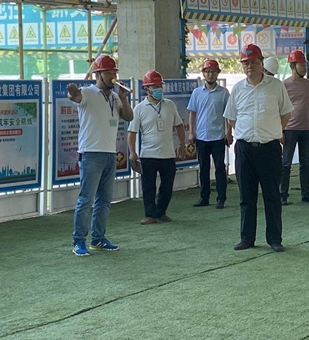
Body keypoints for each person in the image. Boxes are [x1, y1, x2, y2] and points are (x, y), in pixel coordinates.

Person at [223, 44, 293, 252]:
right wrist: (246, 131)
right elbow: (231, 118)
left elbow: (286, 113)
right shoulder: (238, 89)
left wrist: (273, 130)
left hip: (269, 148)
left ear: (262, 63)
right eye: (246, 63)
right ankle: (247, 238)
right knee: (246, 196)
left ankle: (274, 238)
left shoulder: (276, 86)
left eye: (254, 62)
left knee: (272, 195)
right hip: (244, 149)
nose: (250, 66)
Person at [67, 55, 133, 256]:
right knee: (86, 199)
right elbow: (75, 97)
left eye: (114, 72)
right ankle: (79, 241)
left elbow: (129, 117)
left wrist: (123, 98)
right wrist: (72, 92)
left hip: (109, 153)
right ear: (98, 75)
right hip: (91, 153)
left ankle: (98, 238)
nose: (113, 75)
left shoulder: (115, 96)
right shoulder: (88, 92)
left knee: (104, 200)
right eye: (109, 72)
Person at [128, 70, 187, 225]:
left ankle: (161, 212)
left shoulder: (170, 105)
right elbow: (132, 132)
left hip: (168, 154)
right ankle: (150, 215)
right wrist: (132, 152)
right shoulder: (139, 108)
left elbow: (179, 125)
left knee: (167, 186)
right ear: (146, 89)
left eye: (160, 86)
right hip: (148, 155)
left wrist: (182, 144)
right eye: (155, 86)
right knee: (148, 187)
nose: (159, 89)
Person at [280, 50, 309, 205]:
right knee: (286, 163)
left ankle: (306, 193)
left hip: (306, 128)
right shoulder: (284, 85)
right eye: (301, 65)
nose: (304, 68)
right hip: (289, 129)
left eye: (305, 65)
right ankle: (282, 194)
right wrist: (280, 130)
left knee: (305, 163)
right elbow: (278, 106)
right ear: (293, 66)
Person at [188, 59, 232, 209]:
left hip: (218, 136)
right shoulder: (196, 93)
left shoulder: (224, 93)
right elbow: (192, 113)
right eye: (207, 72)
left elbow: (228, 115)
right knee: (203, 169)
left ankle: (221, 198)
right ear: (203, 74)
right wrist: (191, 132)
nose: (210, 74)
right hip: (201, 137)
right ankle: (204, 197)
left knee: (220, 168)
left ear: (217, 74)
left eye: (213, 72)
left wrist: (229, 133)